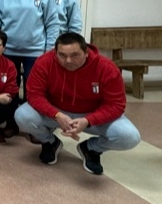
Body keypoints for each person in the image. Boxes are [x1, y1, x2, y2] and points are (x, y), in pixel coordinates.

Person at [15, 32, 141, 175]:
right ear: (55, 52)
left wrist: (88, 120)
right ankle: (50, 142)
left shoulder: (106, 68)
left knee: (130, 136)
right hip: (57, 112)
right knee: (22, 116)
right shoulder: (44, 62)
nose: (68, 60)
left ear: (86, 52)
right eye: (62, 55)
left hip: (92, 114)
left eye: (74, 55)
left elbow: (116, 105)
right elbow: (34, 95)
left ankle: (92, 148)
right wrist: (56, 115)